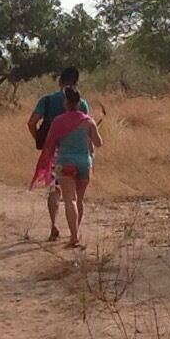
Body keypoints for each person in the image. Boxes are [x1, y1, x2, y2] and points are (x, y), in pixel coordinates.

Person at [29, 86, 102, 247]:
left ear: (66, 103)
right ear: (79, 102)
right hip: (84, 162)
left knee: (70, 200)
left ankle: (74, 237)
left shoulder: (58, 121)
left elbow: (50, 143)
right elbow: (98, 143)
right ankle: (76, 232)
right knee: (79, 200)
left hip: (65, 162)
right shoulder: (88, 121)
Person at [26, 67, 87, 239]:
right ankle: (75, 231)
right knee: (76, 196)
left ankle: (54, 225)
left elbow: (31, 122)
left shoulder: (46, 100)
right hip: (78, 151)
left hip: (54, 152)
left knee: (54, 189)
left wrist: (40, 139)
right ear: (76, 82)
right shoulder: (82, 103)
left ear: (60, 81)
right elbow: (85, 128)